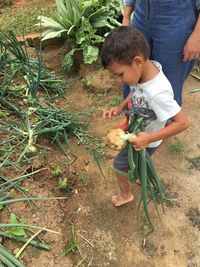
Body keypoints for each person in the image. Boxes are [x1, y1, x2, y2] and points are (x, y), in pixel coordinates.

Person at [101, 26, 189, 207]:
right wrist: (120, 107)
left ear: (138, 61)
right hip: (141, 133)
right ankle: (142, 174)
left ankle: (125, 195)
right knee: (139, 161)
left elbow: (182, 123)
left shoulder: (157, 93)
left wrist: (149, 138)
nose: (119, 81)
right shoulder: (141, 74)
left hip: (144, 139)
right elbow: (134, 93)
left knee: (119, 165)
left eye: (120, 75)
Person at [117, 0, 200, 130]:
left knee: (169, 82)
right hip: (141, 16)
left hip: (177, 19)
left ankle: (160, 131)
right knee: (132, 71)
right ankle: (131, 122)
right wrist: (126, 17)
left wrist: (198, 34)